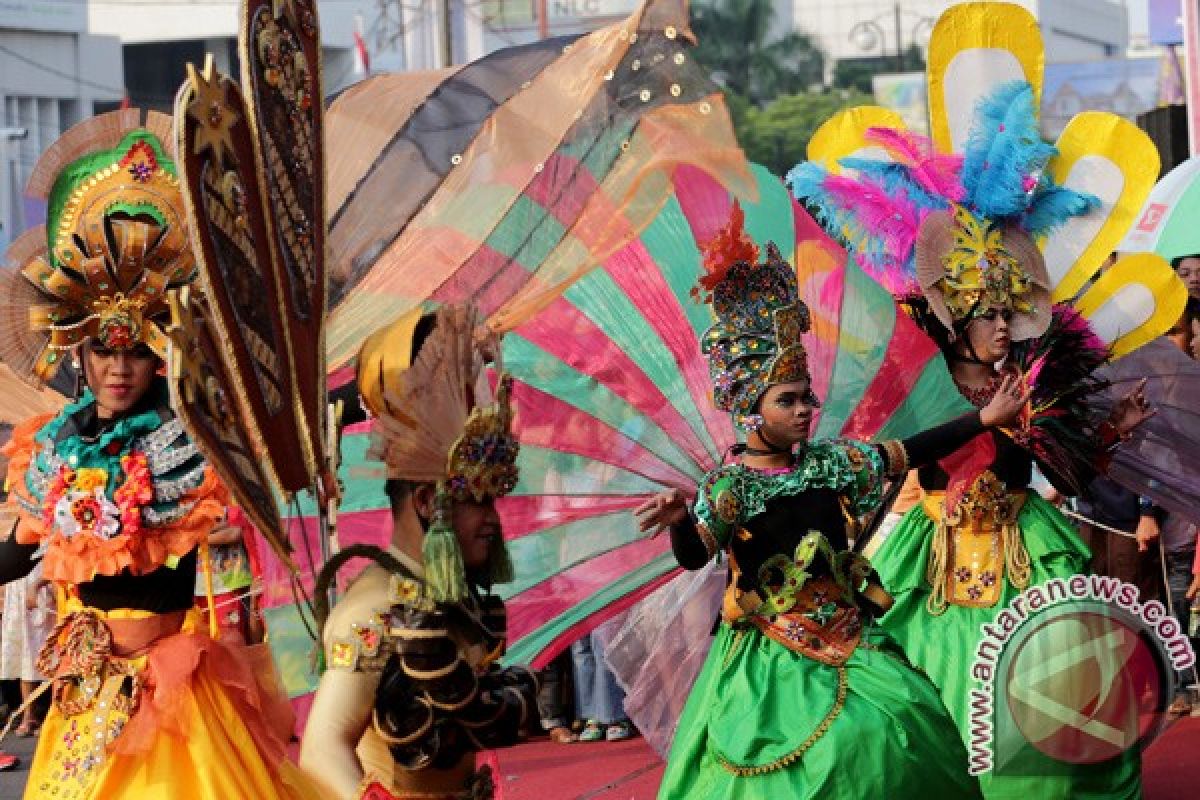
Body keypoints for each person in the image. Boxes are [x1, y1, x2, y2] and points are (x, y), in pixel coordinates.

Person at [636, 208, 1016, 799]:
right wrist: (682, 518)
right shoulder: (729, 487)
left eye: (806, 398)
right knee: (817, 764)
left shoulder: (830, 462)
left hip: (851, 633)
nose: (804, 409)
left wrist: (983, 419)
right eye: (788, 400)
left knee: (907, 735)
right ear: (750, 411)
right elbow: (692, 557)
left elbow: (911, 450)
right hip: (769, 654)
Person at [0, 111, 320, 800]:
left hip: (174, 693)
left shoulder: (188, 442)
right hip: (84, 698)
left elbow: (243, 546)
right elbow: (18, 552)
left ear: (163, 357)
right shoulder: (51, 446)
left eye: (137, 352)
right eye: (104, 352)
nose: (120, 368)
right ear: (78, 356)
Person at [300, 305, 537, 800]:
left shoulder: (449, 593)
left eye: (492, 501)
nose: (492, 519)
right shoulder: (373, 609)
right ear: (428, 503)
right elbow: (321, 749)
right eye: (477, 502)